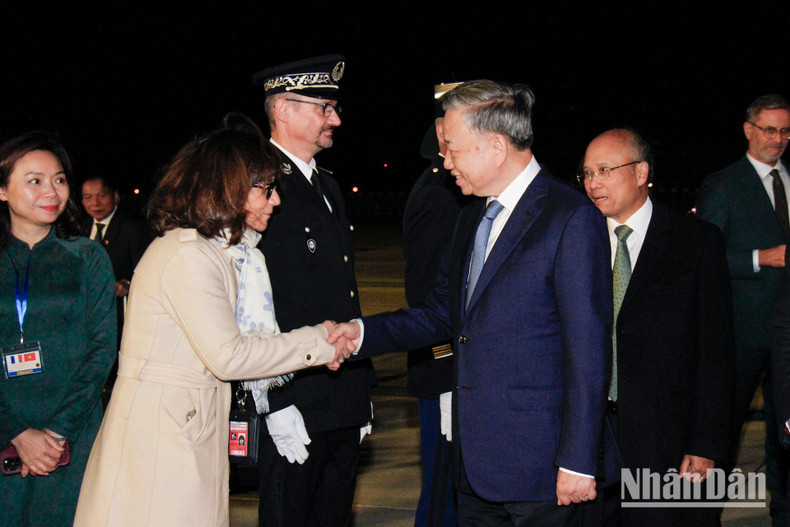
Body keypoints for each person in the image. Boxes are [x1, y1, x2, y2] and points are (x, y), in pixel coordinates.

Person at [331, 79, 612, 526]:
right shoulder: (472, 217)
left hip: (544, 469)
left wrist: (578, 460)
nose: (444, 162)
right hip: (476, 466)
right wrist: (361, 334)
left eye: (453, 149)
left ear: (495, 147)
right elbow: (442, 312)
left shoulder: (570, 218)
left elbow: (589, 351)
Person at [73, 114, 343, 527]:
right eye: (265, 189)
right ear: (228, 188)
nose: (275, 200)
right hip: (162, 441)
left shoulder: (216, 252)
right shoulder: (188, 255)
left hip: (187, 427)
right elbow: (229, 356)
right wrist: (320, 342)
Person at [580, 128, 735, 525]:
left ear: (640, 172)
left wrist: (705, 444)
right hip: (592, 439)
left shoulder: (696, 242)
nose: (593, 182)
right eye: (586, 174)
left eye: (604, 170)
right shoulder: (577, 241)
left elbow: (715, 352)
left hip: (666, 441)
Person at [250, 54, 375, 526]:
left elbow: (342, 292)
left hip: (338, 390)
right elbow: (253, 303)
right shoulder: (256, 184)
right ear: (283, 109)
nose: (335, 119)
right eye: (324, 107)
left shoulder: (328, 186)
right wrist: (275, 401)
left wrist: (360, 394)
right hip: (294, 396)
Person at [0, 131, 117, 526]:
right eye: (35, 180)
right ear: (2, 190)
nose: (52, 190)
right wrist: (16, 432)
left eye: (59, 179)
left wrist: (55, 433)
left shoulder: (87, 257)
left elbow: (101, 350)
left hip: (72, 432)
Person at [696, 94, 790, 523]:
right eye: (769, 129)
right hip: (741, 333)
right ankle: (706, 515)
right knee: (724, 434)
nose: (778, 139)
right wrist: (760, 257)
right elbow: (705, 258)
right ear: (749, 130)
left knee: (785, 435)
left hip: (786, 335)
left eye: (785, 130)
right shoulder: (723, 184)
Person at [404, 81, 474, 527]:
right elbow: (430, 293)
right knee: (443, 495)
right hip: (446, 367)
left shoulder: (451, 189)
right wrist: (448, 360)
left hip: (458, 366)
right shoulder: (442, 193)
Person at [81, 176, 152, 339]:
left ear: (115, 196)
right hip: (88, 317)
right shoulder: (79, 228)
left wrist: (127, 283)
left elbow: (147, 271)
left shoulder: (134, 228)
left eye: (101, 196)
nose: (95, 203)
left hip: (120, 316)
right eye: (88, 198)